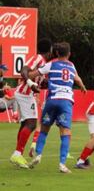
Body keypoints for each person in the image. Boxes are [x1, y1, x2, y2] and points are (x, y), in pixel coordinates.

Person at [26, 42, 86, 173]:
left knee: (44, 129)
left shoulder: (51, 64)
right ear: (69, 54)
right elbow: (77, 78)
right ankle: (62, 164)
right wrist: (82, 86)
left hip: (52, 100)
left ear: (57, 53)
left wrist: (27, 75)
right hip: (66, 101)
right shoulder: (71, 65)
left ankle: (39, 154)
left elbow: (33, 74)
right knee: (66, 132)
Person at [10, 38, 54, 169]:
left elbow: (41, 82)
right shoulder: (39, 58)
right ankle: (17, 154)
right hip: (25, 93)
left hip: (26, 94)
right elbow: (24, 70)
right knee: (32, 123)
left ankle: (18, 154)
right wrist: (30, 83)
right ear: (50, 50)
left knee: (25, 124)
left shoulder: (44, 63)